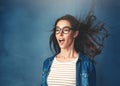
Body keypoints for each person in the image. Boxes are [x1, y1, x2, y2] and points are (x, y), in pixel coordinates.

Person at [41, 13, 109, 86]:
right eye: (57, 30)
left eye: (65, 30)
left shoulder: (86, 64)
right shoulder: (47, 63)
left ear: (75, 34)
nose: (60, 34)